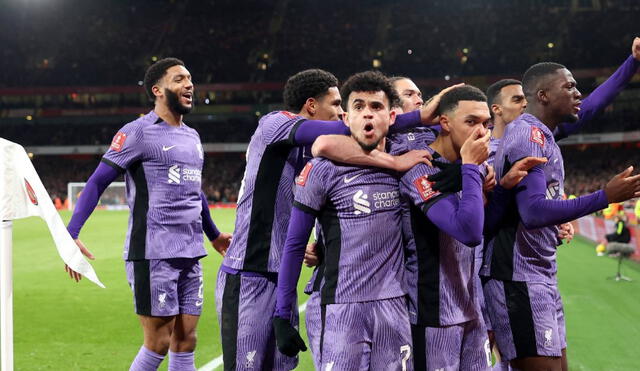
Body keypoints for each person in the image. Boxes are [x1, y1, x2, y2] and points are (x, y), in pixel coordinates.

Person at [216, 68, 437, 370]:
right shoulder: (275, 124)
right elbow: (349, 133)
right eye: (337, 105)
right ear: (310, 106)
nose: (341, 112)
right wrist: (414, 119)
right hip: (249, 270)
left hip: (280, 273)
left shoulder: (313, 153)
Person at [64, 58, 232, 371]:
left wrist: (213, 234)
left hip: (191, 252)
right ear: (157, 90)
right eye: (179, 79)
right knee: (158, 343)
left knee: (186, 340)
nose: (189, 84)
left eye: (190, 78)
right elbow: (98, 181)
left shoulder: (192, 137)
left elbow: (194, 192)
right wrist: (70, 233)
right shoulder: (137, 133)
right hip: (153, 253)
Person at [482, 61, 640, 371]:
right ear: (542, 96)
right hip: (517, 277)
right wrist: (605, 196)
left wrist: (632, 63)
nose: (578, 93)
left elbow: (591, 107)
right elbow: (534, 211)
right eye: (569, 87)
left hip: (538, 274)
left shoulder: (543, 134)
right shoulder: (527, 135)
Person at [273, 71, 413, 369]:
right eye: (358, 106)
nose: (367, 115)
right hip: (340, 307)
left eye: (375, 107)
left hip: (394, 306)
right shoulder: (322, 170)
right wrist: (283, 313)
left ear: (391, 116)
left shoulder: (407, 165)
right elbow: (296, 243)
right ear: (346, 118)